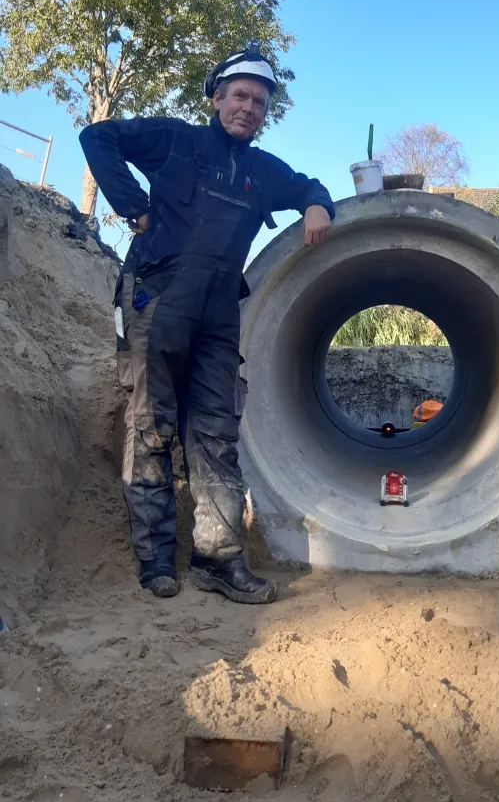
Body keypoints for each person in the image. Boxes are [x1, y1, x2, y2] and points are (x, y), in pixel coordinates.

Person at [80, 43, 334, 604]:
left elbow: (310, 187)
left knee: (217, 432)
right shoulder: (177, 139)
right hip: (157, 298)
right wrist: (133, 209)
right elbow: (97, 138)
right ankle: (154, 560)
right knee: (152, 426)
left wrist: (319, 206)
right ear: (216, 97)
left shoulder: (263, 172)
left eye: (260, 102)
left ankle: (217, 559)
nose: (249, 108)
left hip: (218, 314)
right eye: (240, 96)